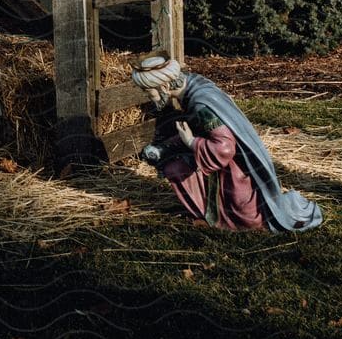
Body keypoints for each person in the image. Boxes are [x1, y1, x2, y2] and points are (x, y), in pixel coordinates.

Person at [132, 56, 323, 232]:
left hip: (237, 171)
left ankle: (215, 215)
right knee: (174, 161)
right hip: (234, 164)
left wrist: (191, 141)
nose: (148, 97)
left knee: (248, 218)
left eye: (149, 92)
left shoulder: (201, 105)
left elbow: (225, 148)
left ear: (165, 86)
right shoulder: (193, 83)